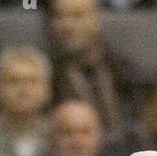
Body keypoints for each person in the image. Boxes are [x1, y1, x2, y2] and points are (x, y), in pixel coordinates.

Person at [44, 0, 143, 144]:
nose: (67, 26)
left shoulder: (124, 69)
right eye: (59, 17)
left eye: (77, 16)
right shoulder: (45, 73)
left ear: (97, 20)